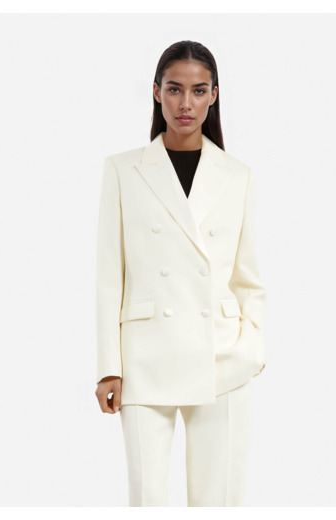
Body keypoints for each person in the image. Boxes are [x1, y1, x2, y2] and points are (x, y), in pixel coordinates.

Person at [94, 40, 267, 507]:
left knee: (219, 502)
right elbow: (109, 277)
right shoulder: (123, 170)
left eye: (198, 90)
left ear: (214, 95)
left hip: (222, 355)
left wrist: (252, 346)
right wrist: (109, 367)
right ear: (156, 92)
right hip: (144, 357)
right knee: (147, 499)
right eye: (174, 89)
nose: (185, 103)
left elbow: (248, 277)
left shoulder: (238, 174)